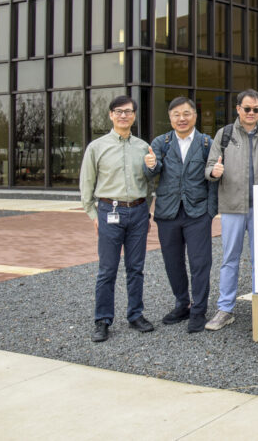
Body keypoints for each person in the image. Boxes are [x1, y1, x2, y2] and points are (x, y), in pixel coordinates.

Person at [203, 89, 258, 332]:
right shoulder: (224, 134)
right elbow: (209, 166)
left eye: (256, 109)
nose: (251, 113)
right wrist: (213, 173)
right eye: (247, 109)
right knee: (230, 259)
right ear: (238, 108)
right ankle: (225, 309)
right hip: (232, 207)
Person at [80, 95, 154, 343]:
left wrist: (147, 208)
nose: (124, 115)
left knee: (136, 268)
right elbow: (86, 186)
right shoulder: (97, 147)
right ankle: (102, 320)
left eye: (128, 111)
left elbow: (150, 182)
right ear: (111, 115)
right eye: (118, 111)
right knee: (107, 269)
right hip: (109, 212)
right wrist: (93, 215)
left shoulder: (144, 148)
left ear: (134, 115)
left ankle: (135, 315)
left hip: (139, 212)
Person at [143, 97, 217, 333]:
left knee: (200, 263)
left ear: (195, 115)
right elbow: (150, 172)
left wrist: (211, 212)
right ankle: (182, 303)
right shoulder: (161, 142)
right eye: (176, 114)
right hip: (168, 212)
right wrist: (151, 165)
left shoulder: (207, 143)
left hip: (198, 213)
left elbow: (214, 179)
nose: (182, 118)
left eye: (186, 113)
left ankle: (198, 310)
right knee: (172, 262)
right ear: (170, 118)